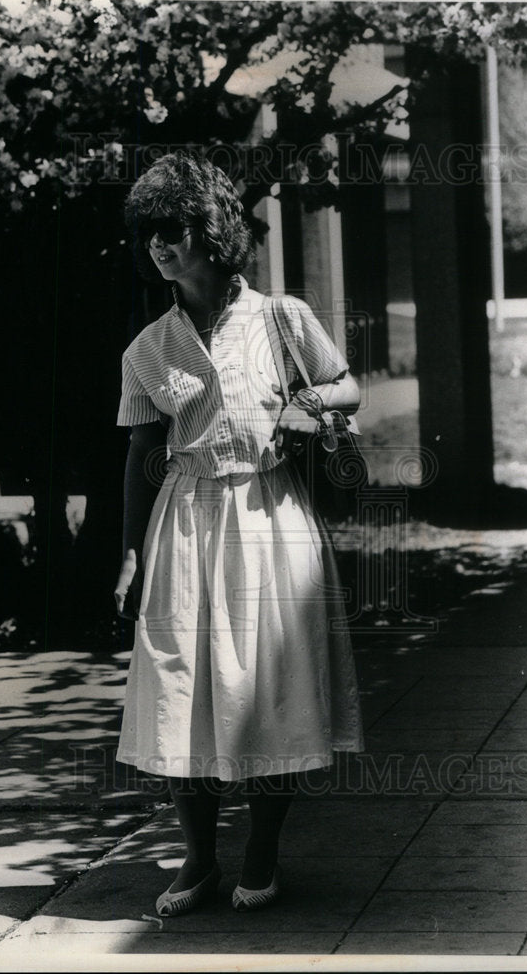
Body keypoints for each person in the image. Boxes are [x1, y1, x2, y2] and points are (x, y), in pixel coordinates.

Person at [113, 151, 363, 917]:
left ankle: (260, 850)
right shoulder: (148, 348)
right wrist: (128, 555)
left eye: (172, 227)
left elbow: (345, 385)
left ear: (212, 230)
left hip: (269, 517)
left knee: (270, 688)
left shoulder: (281, 317)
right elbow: (140, 457)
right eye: (147, 230)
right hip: (184, 525)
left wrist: (306, 410)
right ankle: (196, 861)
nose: (158, 243)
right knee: (177, 689)